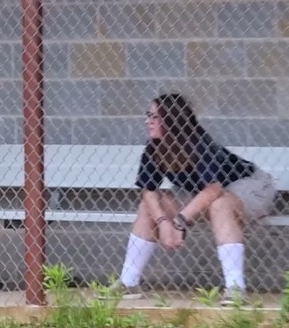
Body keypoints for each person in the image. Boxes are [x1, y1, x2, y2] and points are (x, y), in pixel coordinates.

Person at [105, 92, 277, 306]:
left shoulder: (199, 143)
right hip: (203, 192)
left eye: (154, 116)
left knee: (219, 205)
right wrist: (163, 222)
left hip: (250, 186)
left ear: (171, 119)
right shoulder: (154, 148)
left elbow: (214, 190)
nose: (147, 121)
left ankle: (235, 288)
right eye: (147, 115)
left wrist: (179, 221)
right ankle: (128, 282)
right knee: (150, 205)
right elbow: (149, 191)